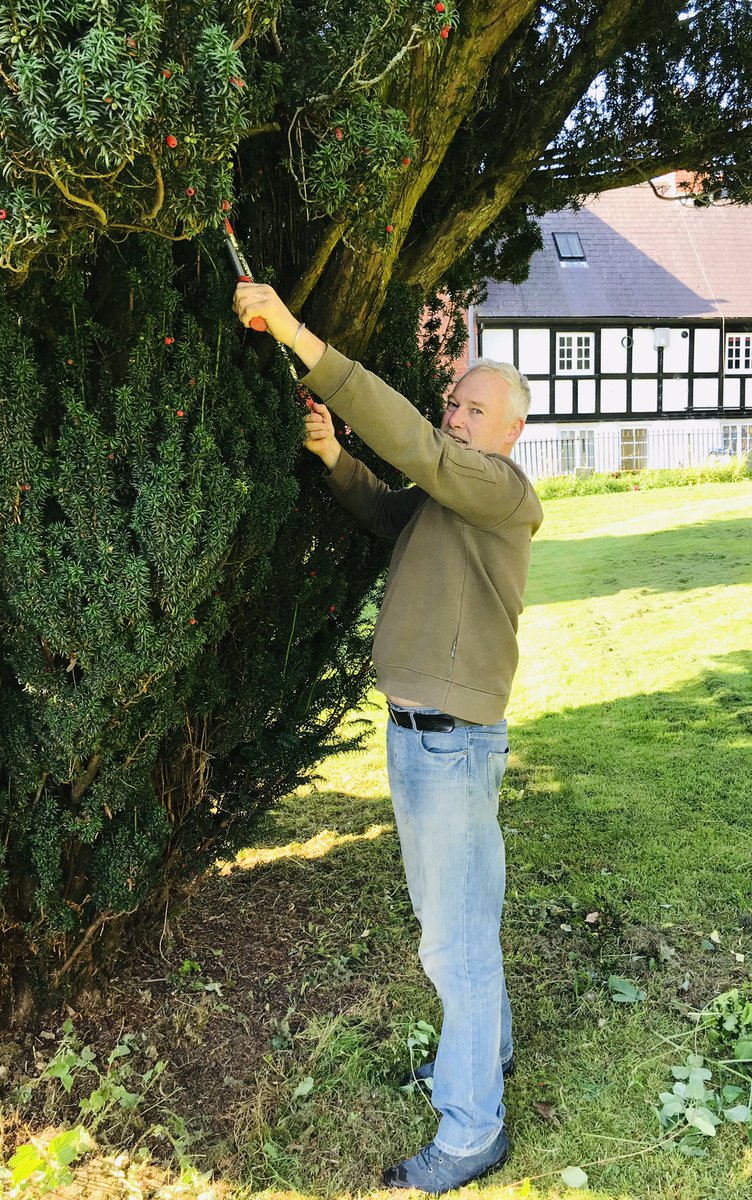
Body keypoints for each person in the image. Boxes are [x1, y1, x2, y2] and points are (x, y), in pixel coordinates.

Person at [233, 283, 543, 1194]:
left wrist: (294, 335)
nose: (454, 415)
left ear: (511, 432)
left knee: (452, 944)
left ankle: (472, 1129)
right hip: (438, 740)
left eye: (472, 408)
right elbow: (388, 511)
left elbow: (408, 439)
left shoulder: (498, 487)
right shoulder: (451, 500)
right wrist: (332, 454)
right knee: (466, 924)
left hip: (446, 744)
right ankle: (484, 1057)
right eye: (454, 400)